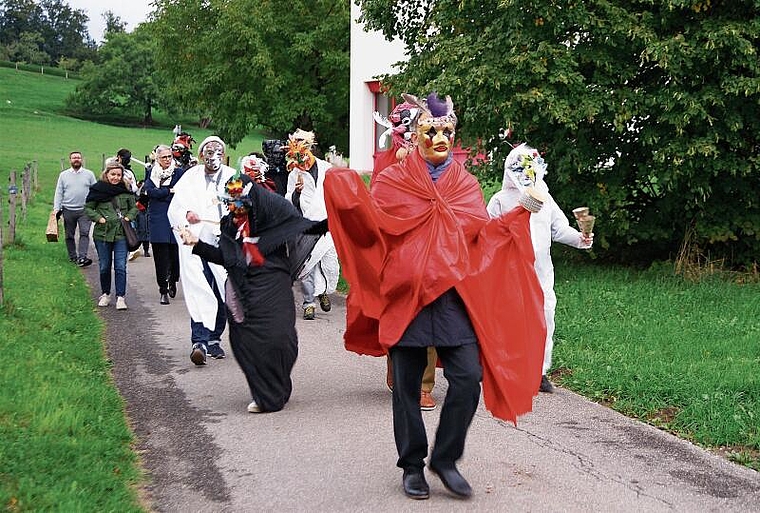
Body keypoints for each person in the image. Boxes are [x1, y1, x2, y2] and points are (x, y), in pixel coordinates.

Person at [323, 92, 546, 500]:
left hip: (450, 297)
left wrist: (520, 212)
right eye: (432, 130)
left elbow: (483, 237)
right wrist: (342, 182)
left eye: (447, 130)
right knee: (406, 386)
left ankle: (444, 457)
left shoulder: (467, 185)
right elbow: (372, 226)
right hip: (405, 295)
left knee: (468, 377)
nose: (440, 137)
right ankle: (412, 465)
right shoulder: (393, 180)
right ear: (416, 133)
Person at [178, 172, 328, 413]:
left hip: (274, 285)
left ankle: (278, 384)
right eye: (230, 203)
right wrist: (196, 244)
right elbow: (227, 258)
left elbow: (306, 227)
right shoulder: (230, 225)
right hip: (243, 291)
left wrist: (339, 219)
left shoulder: (274, 213)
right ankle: (265, 394)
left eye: (240, 203)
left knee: (280, 339)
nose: (235, 209)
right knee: (248, 342)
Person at [487, 143, 593, 393]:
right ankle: (506, 369)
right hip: (509, 273)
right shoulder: (500, 200)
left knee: (545, 316)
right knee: (511, 320)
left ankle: (539, 371)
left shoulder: (545, 197)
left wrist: (581, 238)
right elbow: (486, 232)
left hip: (541, 272)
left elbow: (558, 228)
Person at [373, 101, 438, 411]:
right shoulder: (388, 165)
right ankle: (397, 364)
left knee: (429, 316)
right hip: (397, 253)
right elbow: (376, 207)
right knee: (401, 315)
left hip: (432, 252)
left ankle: (424, 385)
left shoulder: (438, 162)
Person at [167, 136, 236, 365]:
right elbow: (175, 207)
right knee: (199, 288)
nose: (212, 156)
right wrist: (187, 215)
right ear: (201, 155)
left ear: (223, 155)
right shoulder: (191, 177)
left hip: (223, 244)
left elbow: (244, 206)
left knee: (221, 291)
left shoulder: (232, 177)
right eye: (208, 152)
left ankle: (214, 337)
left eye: (217, 152)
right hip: (195, 244)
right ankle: (200, 342)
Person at [284, 129, 340, 320]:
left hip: (326, 221)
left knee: (327, 260)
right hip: (305, 224)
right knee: (307, 263)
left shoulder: (326, 168)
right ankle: (309, 303)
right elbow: (288, 199)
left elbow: (337, 192)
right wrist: (297, 193)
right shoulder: (294, 173)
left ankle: (323, 291)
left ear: (309, 148)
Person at [84, 159, 138, 311]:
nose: (115, 178)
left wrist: (128, 217)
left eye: (118, 175)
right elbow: (88, 208)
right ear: (106, 174)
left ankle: (121, 297)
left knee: (120, 266)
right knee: (104, 266)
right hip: (103, 234)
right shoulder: (97, 190)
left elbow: (134, 208)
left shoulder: (126, 190)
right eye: (112, 174)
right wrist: (98, 219)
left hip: (121, 234)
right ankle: (105, 294)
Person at [143, 144, 185, 305]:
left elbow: (181, 192)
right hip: (158, 218)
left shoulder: (179, 173)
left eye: (169, 156)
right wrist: (168, 191)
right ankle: (163, 289)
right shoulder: (151, 173)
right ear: (158, 159)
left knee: (175, 256)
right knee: (160, 257)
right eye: (164, 157)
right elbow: (150, 192)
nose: (167, 159)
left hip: (175, 218)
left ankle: (173, 279)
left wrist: (164, 193)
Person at [53, 151, 97, 267]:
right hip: (68, 209)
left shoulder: (89, 174)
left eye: (78, 157)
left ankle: (82, 257)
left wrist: (95, 206)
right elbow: (59, 192)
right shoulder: (63, 175)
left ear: (81, 159)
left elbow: (95, 191)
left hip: (85, 210)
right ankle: (73, 257)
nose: (76, 159)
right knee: (69, 235)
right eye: (74, 158)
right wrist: (56, 208)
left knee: (84, 233)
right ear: (70, 160)